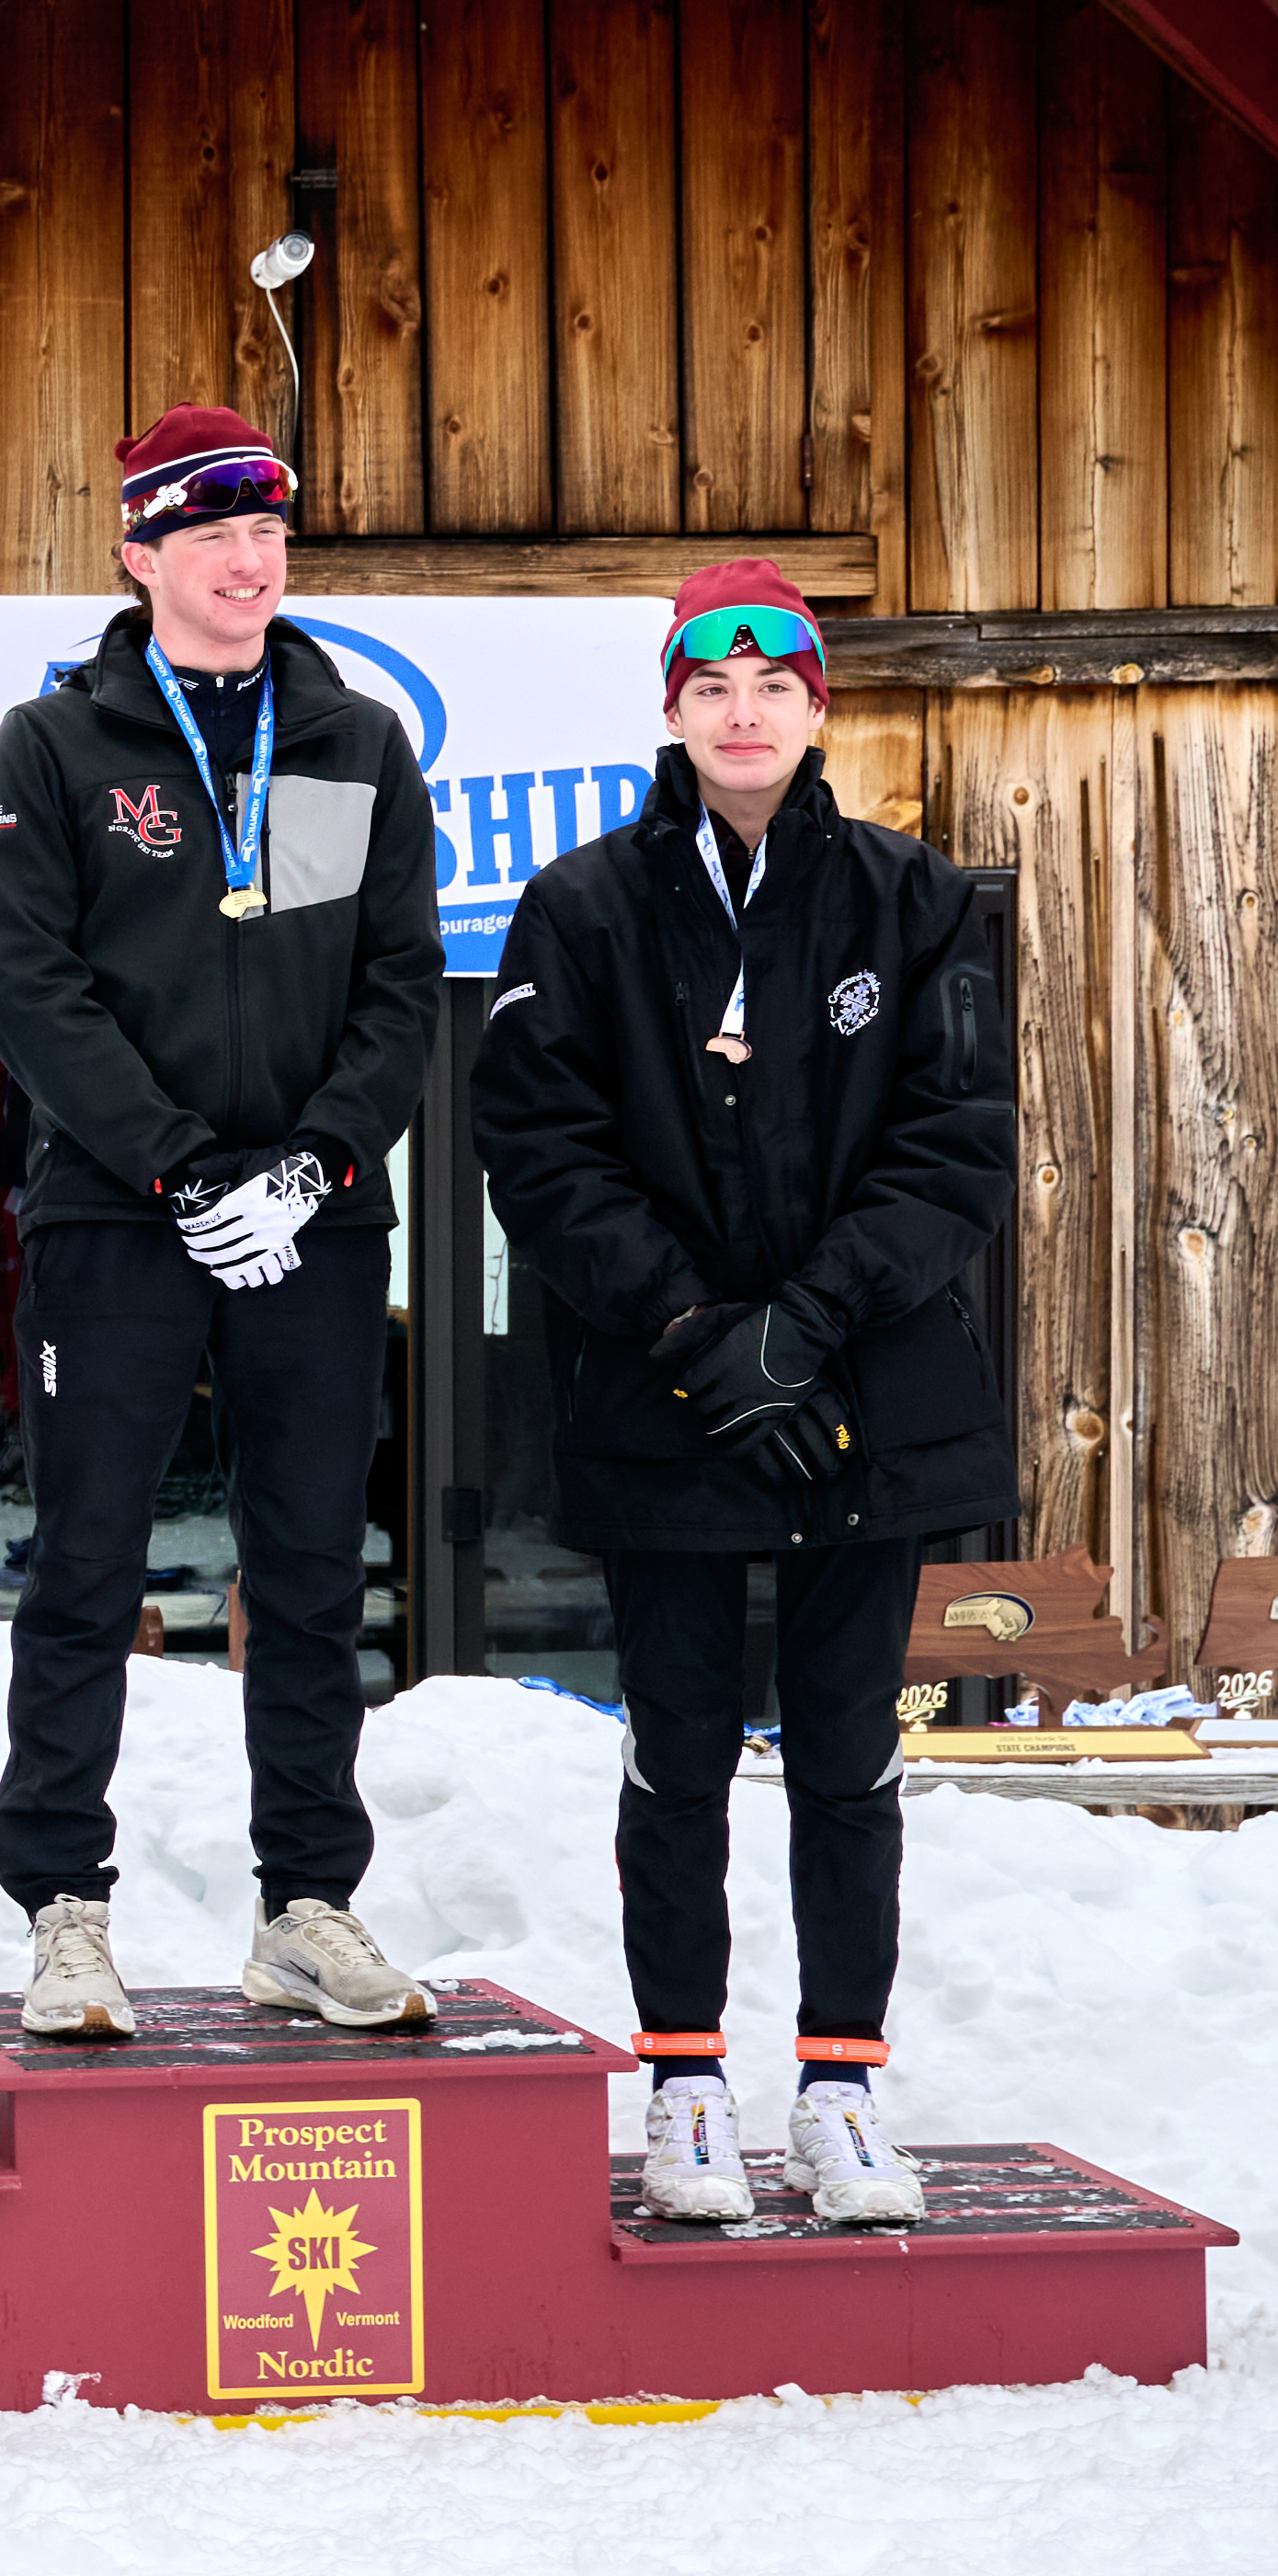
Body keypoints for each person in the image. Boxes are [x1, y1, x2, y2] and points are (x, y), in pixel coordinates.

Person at [467, 562, 1012, 2228]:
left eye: (774, 679)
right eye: (712, 682)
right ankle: (685, 2084)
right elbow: (537, 1150)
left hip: (865, 1399)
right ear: (670, 710)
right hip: (668, 1396)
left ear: (816, 704)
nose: (745, 707)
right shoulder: (580, 911)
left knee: (847, 1753)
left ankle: (839, 2089)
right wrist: (705, 1329)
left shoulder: (912, 902)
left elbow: (955, 1147)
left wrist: (809, 1325)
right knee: (679, 1747)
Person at [0, 405, 450, 2039]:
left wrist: (308, 1164)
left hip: (309, 1219)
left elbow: (400, 985)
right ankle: (62, 1907)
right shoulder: (59, 745)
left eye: (268, 536)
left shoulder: (350, 737)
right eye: (211, 536)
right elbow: (32, 994)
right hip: (118, 1211)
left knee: (310, 1566)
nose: (248, 563)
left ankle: (304, 1903)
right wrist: (180, 1170)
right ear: (140, 553)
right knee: (86, 1566)